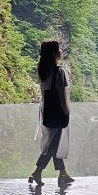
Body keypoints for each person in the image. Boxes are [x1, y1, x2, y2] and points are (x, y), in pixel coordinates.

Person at [29, 38, 74, 186]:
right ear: (55, 53)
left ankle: (63, 173)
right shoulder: (59, 71)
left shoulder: (43, 70)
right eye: (58, 49)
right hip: (57, 112)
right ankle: (37, 172)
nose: (61, 51)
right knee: (53, 145)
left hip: (47, 111)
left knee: (54, 142)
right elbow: (61, 95)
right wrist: (66, 112)